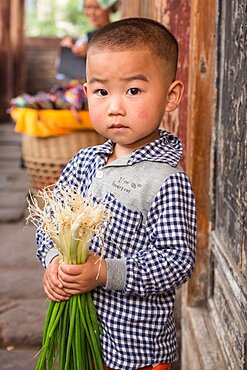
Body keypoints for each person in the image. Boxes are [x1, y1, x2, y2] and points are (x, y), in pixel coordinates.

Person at [37, 17, 197, 370]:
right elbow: (48, 223)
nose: (114, 107)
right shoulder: (83, 162)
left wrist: (104, 272)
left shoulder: (165, 180)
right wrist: (53, 262)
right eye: (101, 91)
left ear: (171, 96)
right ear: (86, 91)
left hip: (135, 352)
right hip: (81, 339)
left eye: (134, 91)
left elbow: (176, 261)